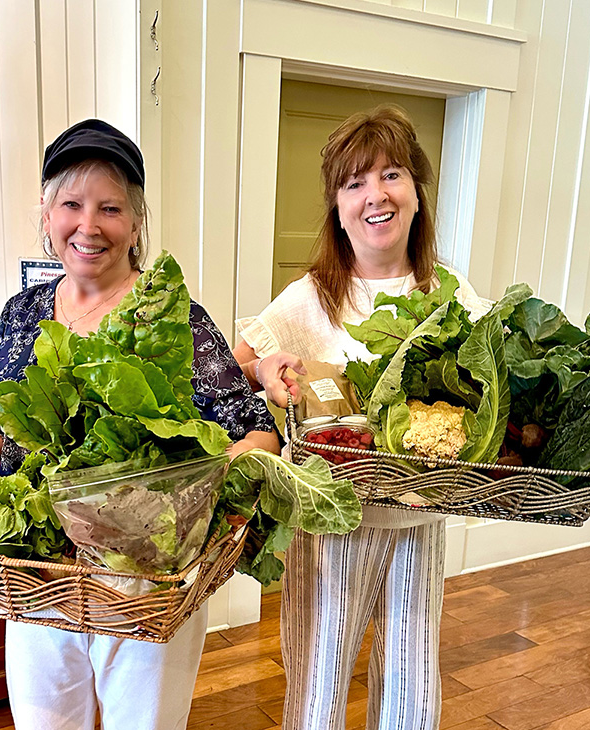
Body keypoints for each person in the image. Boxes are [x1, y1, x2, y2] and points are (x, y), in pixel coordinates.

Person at [0, 119, 279, 730]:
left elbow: (256, 430)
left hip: (142, 581)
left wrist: (198, 486)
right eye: (71, 204)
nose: (89, 224)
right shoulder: (24, 313)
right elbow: (4, 427)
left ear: (135, 223)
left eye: (110, 207)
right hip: (38, 574)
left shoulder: (169, 315)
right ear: (47, 214)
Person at [233, 105, 488, 730]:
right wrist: (267, 373)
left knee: (412, 688)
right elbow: (236, 362)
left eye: (391, 174)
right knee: (318, 684)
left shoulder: (449, 293)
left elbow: (498, 381)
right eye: (355, 182)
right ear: (337, 207)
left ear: (417, 194)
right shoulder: (316, 294)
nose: (375, 196)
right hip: (330, 523)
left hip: (420, 514)